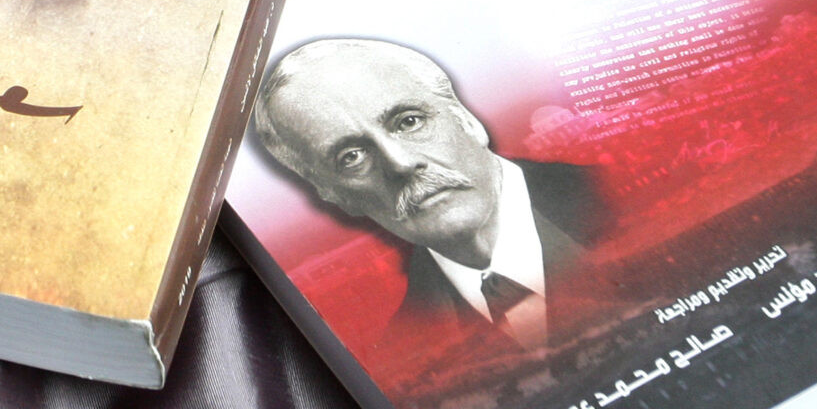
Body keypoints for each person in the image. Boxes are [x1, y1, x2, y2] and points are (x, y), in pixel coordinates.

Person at [251, 38, 604, 352]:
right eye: (352, 156)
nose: (401, 163)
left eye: (409, 122)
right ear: (333, 194)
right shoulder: (403, 345)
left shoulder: (611, 194)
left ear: (466, 120)